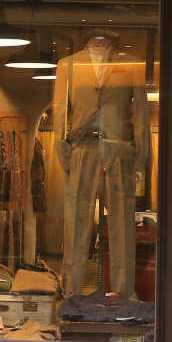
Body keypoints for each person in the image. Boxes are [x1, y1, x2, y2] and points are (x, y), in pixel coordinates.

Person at [51, 30, 150, 299]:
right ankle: (72, 291)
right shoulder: (68, 64)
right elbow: (59, 109)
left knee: (122, 226)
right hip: (82, 147)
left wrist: (140, 155)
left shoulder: (131, 64)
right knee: (76, 224)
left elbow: (141, 110)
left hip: (118, 149)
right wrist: (63, 150)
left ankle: (122, 292)